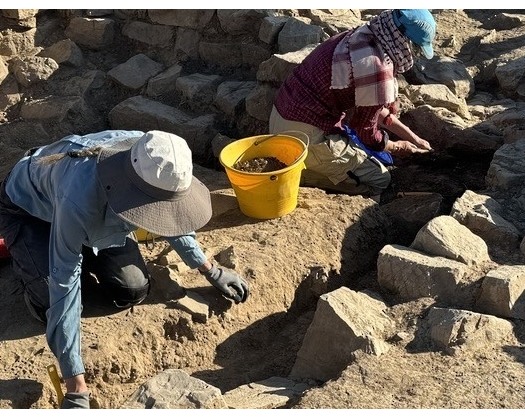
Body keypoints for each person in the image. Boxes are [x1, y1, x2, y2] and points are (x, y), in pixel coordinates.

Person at [0, 129, 250, 408]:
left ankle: (79, 243)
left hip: (96, 214)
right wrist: (75, 385)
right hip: (30, 211)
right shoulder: (79, 198)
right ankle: (31, 273)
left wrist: (209, 269)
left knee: (132, 289)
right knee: (49, 299)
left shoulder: (153, 156)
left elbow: (171, 216)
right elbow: (64, 282)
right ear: (131, 191)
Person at [269, 9, 436, 202]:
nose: (413, 54)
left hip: (283, 116)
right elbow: (366, 133)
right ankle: (297, 172)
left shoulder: (363, 36)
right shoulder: (376, 67)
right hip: (300, 139)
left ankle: (307, 163)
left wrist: (415, 139)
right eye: (415, 48)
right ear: (404, 41)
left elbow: (373, 107)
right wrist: (399, 147)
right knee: (380, 178)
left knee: (366, 153)